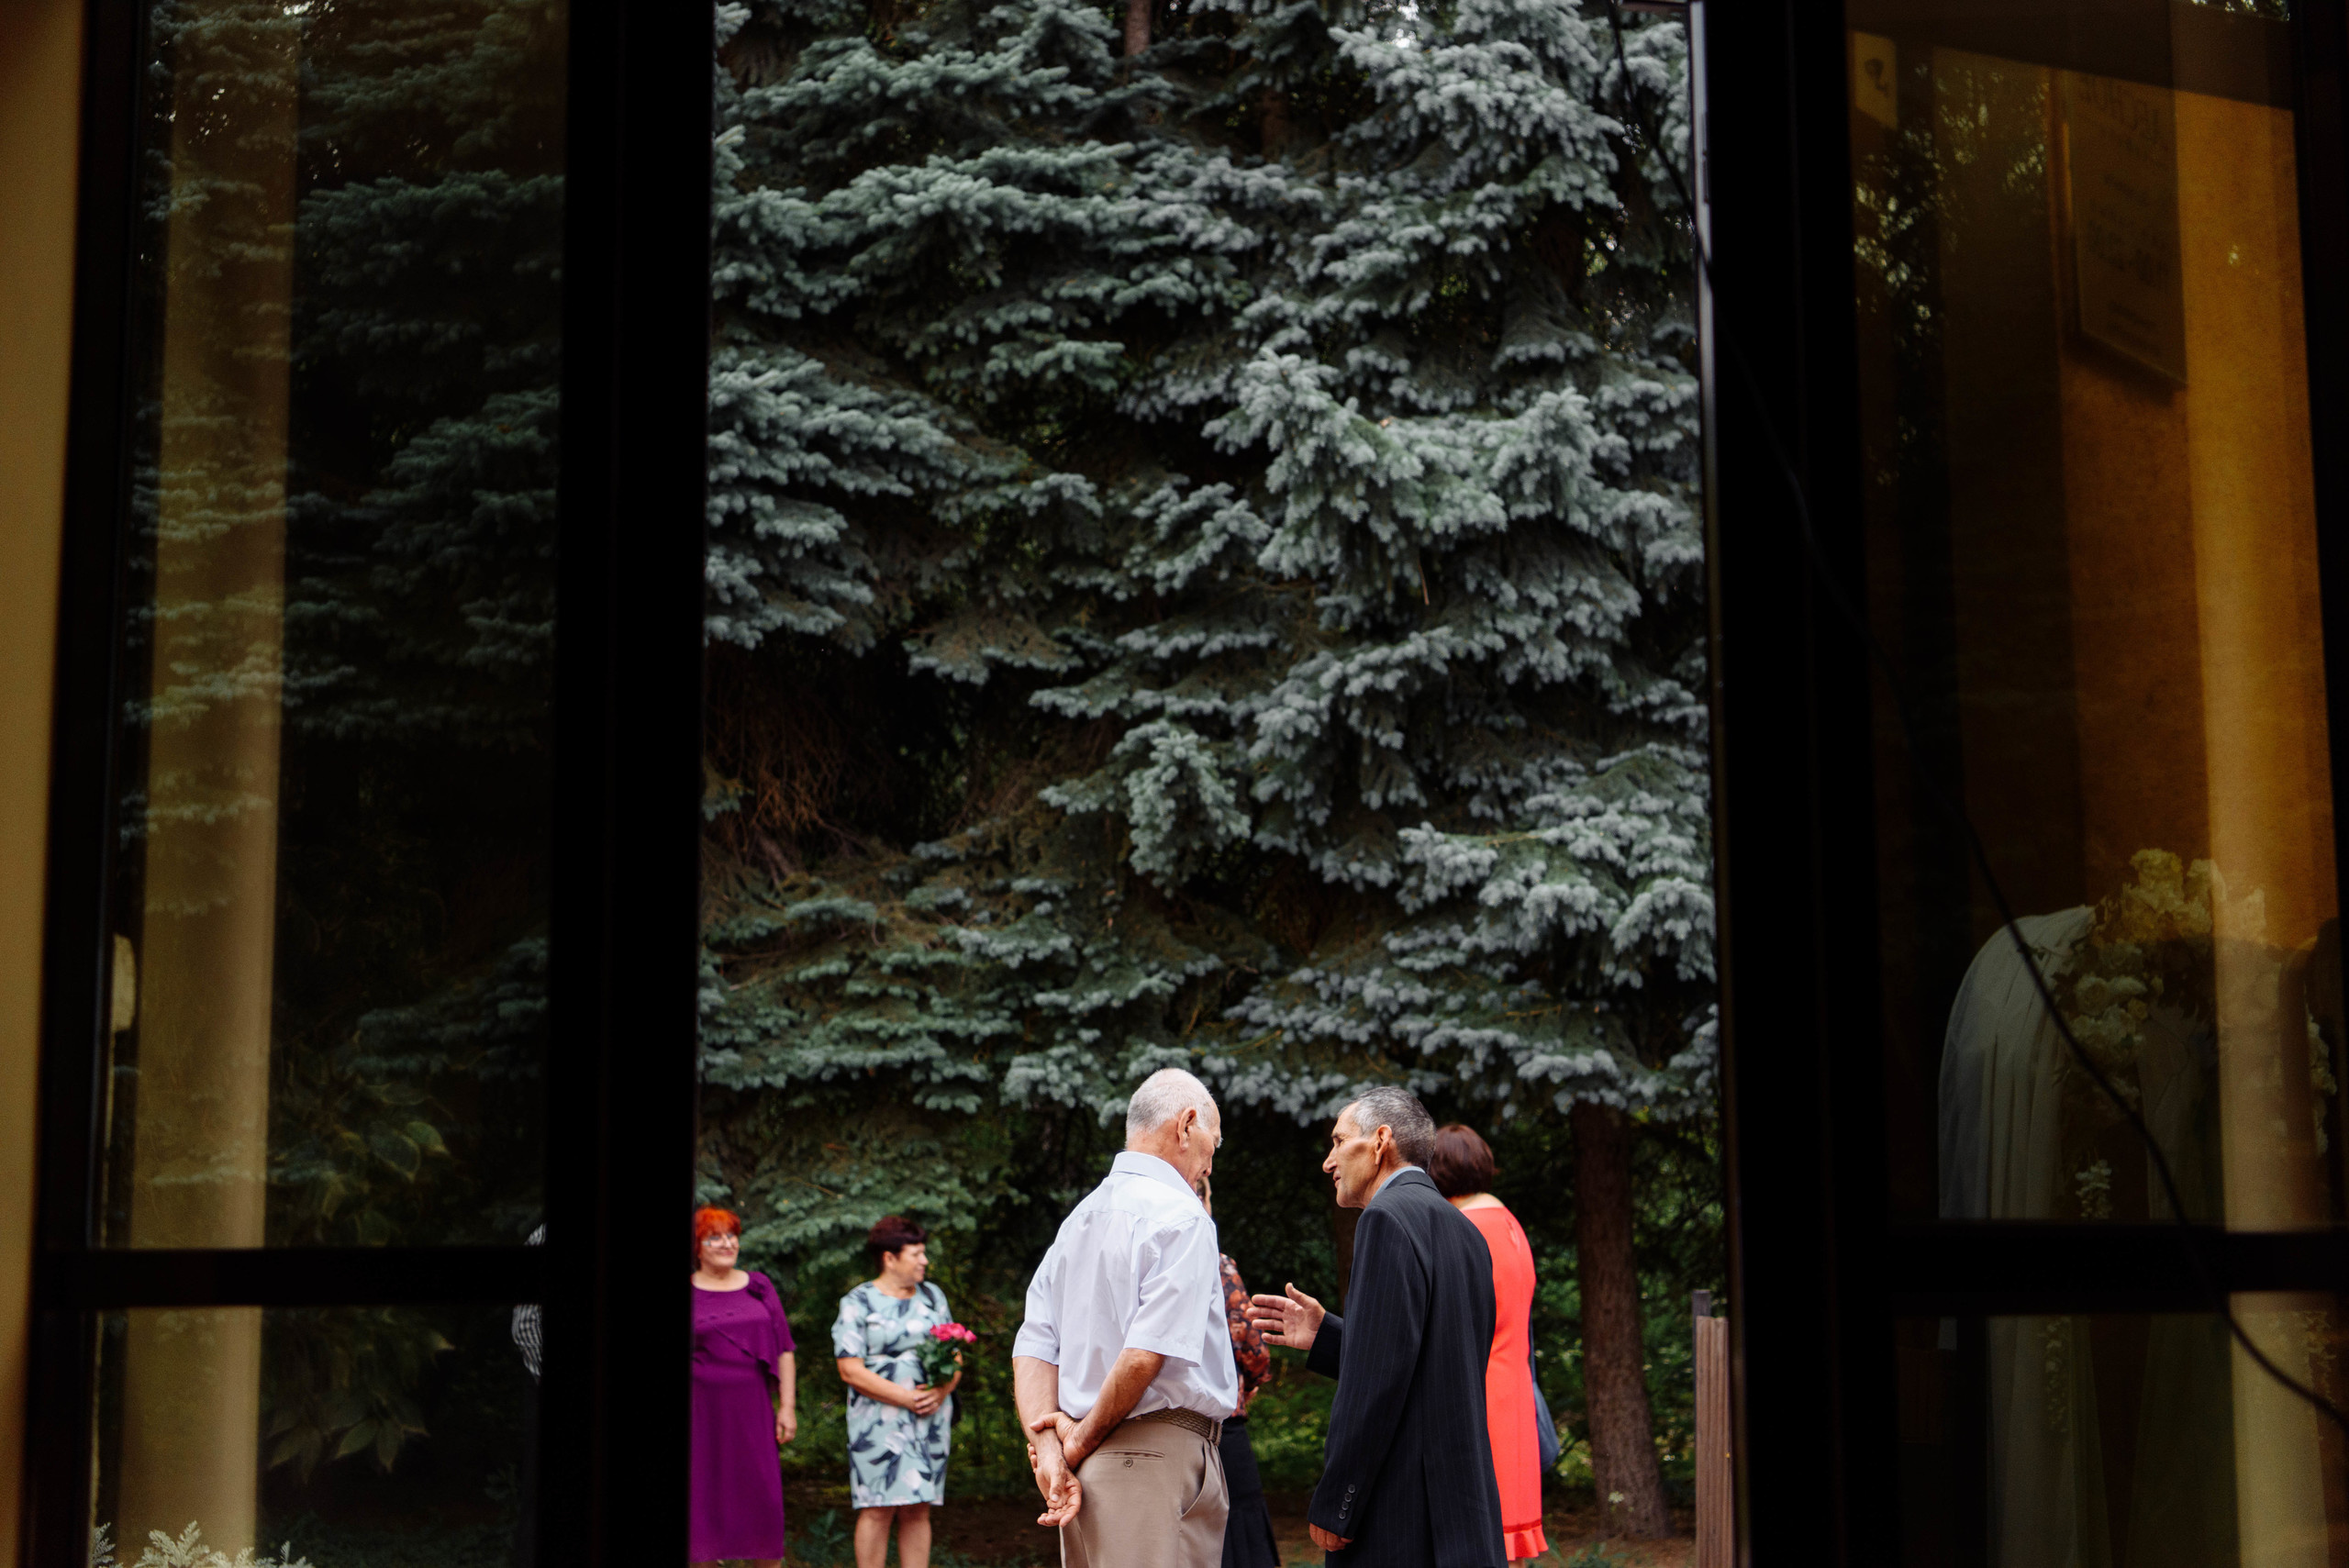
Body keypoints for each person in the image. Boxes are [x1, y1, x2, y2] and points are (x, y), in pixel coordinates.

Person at [1246, 1087, 1504, 1568]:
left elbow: (1376, 1387)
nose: (1328, 1162)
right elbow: (1435, 1365)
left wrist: (1338, 1502)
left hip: (1401, 1516)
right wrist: (1328, 1335)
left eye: (1339, 1141)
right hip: (1464, 1513)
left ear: (1381, 1140)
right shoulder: (1466, 1232)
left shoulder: (1385, 1219)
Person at [1013, 1067, 1237, 1568]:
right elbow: (1144, 1355)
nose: (1208, 1164)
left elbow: (1033, 1345)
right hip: (1154, 1458)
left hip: (1088, 1466)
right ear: (1186, 1126)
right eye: (1212, 1145)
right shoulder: (1183, 1219)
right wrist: (1072, 1443)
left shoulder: (1079, 1220)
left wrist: (1052, 1451)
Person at [1428, 1124, 1549, 1563]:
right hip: (1513, 1399)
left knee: (1476, 1543)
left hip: (1479, 1403)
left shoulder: (1467, 1229)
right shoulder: (1509, 1223)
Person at [832, 1215, 963, 1568]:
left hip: (931, 1417)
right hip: (878, 1421)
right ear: (890, 1257)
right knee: (877, 1506)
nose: (924, 1261)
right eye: (916, 1254)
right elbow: (849, 1368)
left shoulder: (933, 1296)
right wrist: (905, 1398)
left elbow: (955, 1353)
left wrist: (941, 1391)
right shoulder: (858, 1302)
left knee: (919, 1508)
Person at [691, 1207, 798, 1568]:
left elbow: (784, 1348)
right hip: (702, 1416)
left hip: (753, 1413)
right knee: (702, 1512)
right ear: (697, 1246)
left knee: (762, 1506)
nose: (727, 1243)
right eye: (715, 1237)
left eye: (731, 1235)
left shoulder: (759, 1285)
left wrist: (786, 1407)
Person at [1196, 1173, 1279, 1568]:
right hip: (1222, 1424)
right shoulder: (1216, 1264)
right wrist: (1253, 1380)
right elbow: (1249, 1343)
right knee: (1239, 1530)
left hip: (1161, 1432)